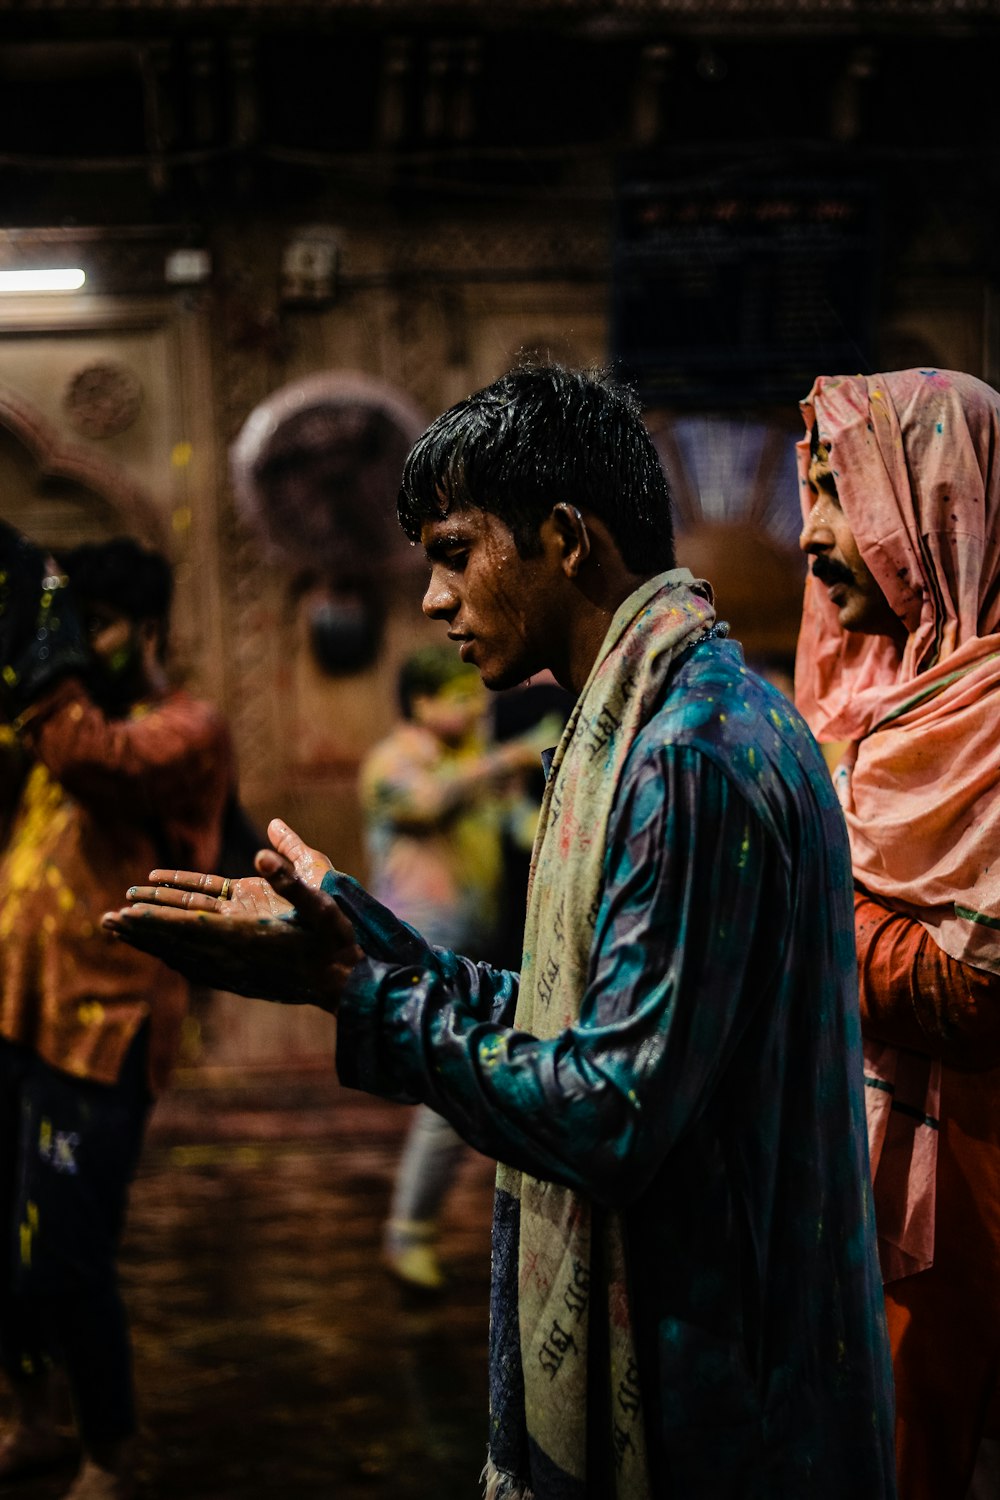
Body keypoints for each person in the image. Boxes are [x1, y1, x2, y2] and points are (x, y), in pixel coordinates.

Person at [105, 365, 896, 1500]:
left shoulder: (685, 753)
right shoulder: (681, 709)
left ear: (565, 539)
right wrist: (362, 941)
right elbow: (562, 1011)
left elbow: (607, 1110)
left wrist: (359, 992)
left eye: (454, 551)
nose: (431, 599)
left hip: (719, 1391)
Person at [795, 367, 1000, 1500]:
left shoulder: (988, 713)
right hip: (874, 1145)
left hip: (964, 1171)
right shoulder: (897, 699)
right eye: (816, 495)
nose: (814, 537)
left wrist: (811, 891)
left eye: (845, 494)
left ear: (937, 504)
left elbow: (972, 996)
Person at [0, 530, 233, 1500]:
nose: (72, 645)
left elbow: (94, 760)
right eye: (67, 625)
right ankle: (31, 1420)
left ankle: (107, 1454)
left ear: (144, 632)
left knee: (66, 1256)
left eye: (90, 627)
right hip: (20, 1017)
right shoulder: (57, 720)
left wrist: (40, 637)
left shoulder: (185, 729)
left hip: (105, 1029)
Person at [363, 645, 553, 1289]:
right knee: (446, 1093)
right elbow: (427, 803)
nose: (476, 708)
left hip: (465, 957)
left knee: (460, 1088)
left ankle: (420, 1230)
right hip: (413, 953)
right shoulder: (393, 765)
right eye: (459, 698)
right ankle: (408, 1234)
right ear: (420, 703)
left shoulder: (467, 765)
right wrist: (514, 756)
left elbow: (519, 825)